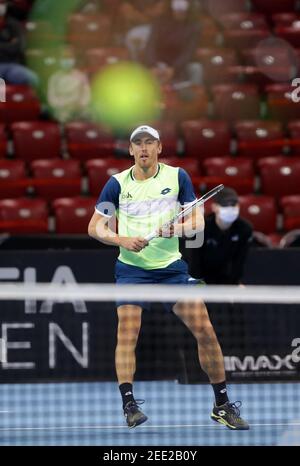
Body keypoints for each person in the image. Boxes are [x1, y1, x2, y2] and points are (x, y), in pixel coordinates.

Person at [88, 125, 249, 430]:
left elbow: (198, 220)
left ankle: (222, 404)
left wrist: (176, 229)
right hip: (132, 270)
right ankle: (129, 404)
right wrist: (122, 239)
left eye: (150, 142)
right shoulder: (117, 184)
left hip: (172, 270)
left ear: (159, 147)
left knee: (205, 329)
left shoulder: (178, 177)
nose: (144, 148)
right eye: (139, 143)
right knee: (127, 332)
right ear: (131, 150)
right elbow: (95, 227)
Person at [190, 187, 253, 284]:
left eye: (233, 205)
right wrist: (198, 286)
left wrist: (235, 284)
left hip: (227, 280)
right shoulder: (200, 228)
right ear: (214, 207)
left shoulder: (245, 229)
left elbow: (240, 262)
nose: (230, 208)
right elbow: (194, 262)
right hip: (202, 279)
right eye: (225, 205)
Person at [143, 0, 203, 86]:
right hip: (159, 63)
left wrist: (174, 69)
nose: (179, 13)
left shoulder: (194, 26)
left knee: (196, 68)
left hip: (180, 65)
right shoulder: (159, 22)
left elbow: (189, 52)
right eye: (177, 10)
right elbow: (150, 45)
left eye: (182, 11)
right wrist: (153, 65)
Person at [0, 0, 37, 86]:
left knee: (32, 78)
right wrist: (9, 44)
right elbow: (12, 47)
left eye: (1, 3)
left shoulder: (14, 25)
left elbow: (18, 47)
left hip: (12, 66)